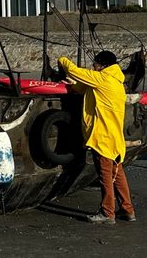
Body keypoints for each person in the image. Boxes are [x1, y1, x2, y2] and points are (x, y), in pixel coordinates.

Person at [57, 50, 136, 225]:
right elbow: (85, 88)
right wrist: (73, 85)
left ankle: (107, 213)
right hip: (114, 138)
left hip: (102, 138)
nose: (93, 65)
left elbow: (75, 71)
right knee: (117, 175)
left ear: (103, 65)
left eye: (96, 63)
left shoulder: (102, 79)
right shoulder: (115, 82)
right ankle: (127, 210)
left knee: (105, 176)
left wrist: (62, 60)